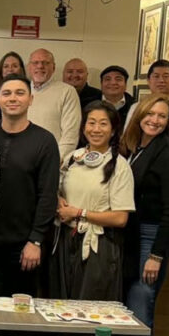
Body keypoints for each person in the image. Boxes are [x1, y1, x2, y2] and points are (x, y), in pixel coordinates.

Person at [0, 74, 58, 297]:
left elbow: (47, 195)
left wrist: (35, 240)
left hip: (24, 246)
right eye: (7, 93)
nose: (13, 98)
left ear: (30, 99)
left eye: (20, 93)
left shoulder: (45, 141)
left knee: (19, 309)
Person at [118, 94, 169, 336]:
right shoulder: (134, 150)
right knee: (126, 311)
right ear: (140, 115)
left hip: (150, 237)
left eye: (162, 116)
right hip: (130, 233)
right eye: (150, 113)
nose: (155, 120)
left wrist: (156, 256)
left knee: (140, 307)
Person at [52, 102, 135, 301]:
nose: (96, 129)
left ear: (113, 130)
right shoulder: (72, 158)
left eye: (103, 124)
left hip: (99, 244)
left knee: (90, 306)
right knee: (61, 302)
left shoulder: (119, 166)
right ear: (83, 127)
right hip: (66, 238)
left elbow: (120, 218)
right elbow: (58, 190)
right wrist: (58, 200)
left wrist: (79, 213)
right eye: (91, 123)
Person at [127, 60, 169, 153]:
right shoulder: (136, 107)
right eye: (156, 76)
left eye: (166, 76)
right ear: (148, 81)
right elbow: (129, 136)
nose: (161, 80)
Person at [27, 49, 82, 160]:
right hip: (21, 160)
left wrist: (55, 160)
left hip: (51, 161)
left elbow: (70, 135)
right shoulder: (20, 91)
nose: (40, 66)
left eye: (45, 63)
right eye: (35, 63)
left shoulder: (67, 91)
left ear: (54, 67)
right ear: (29, 67)